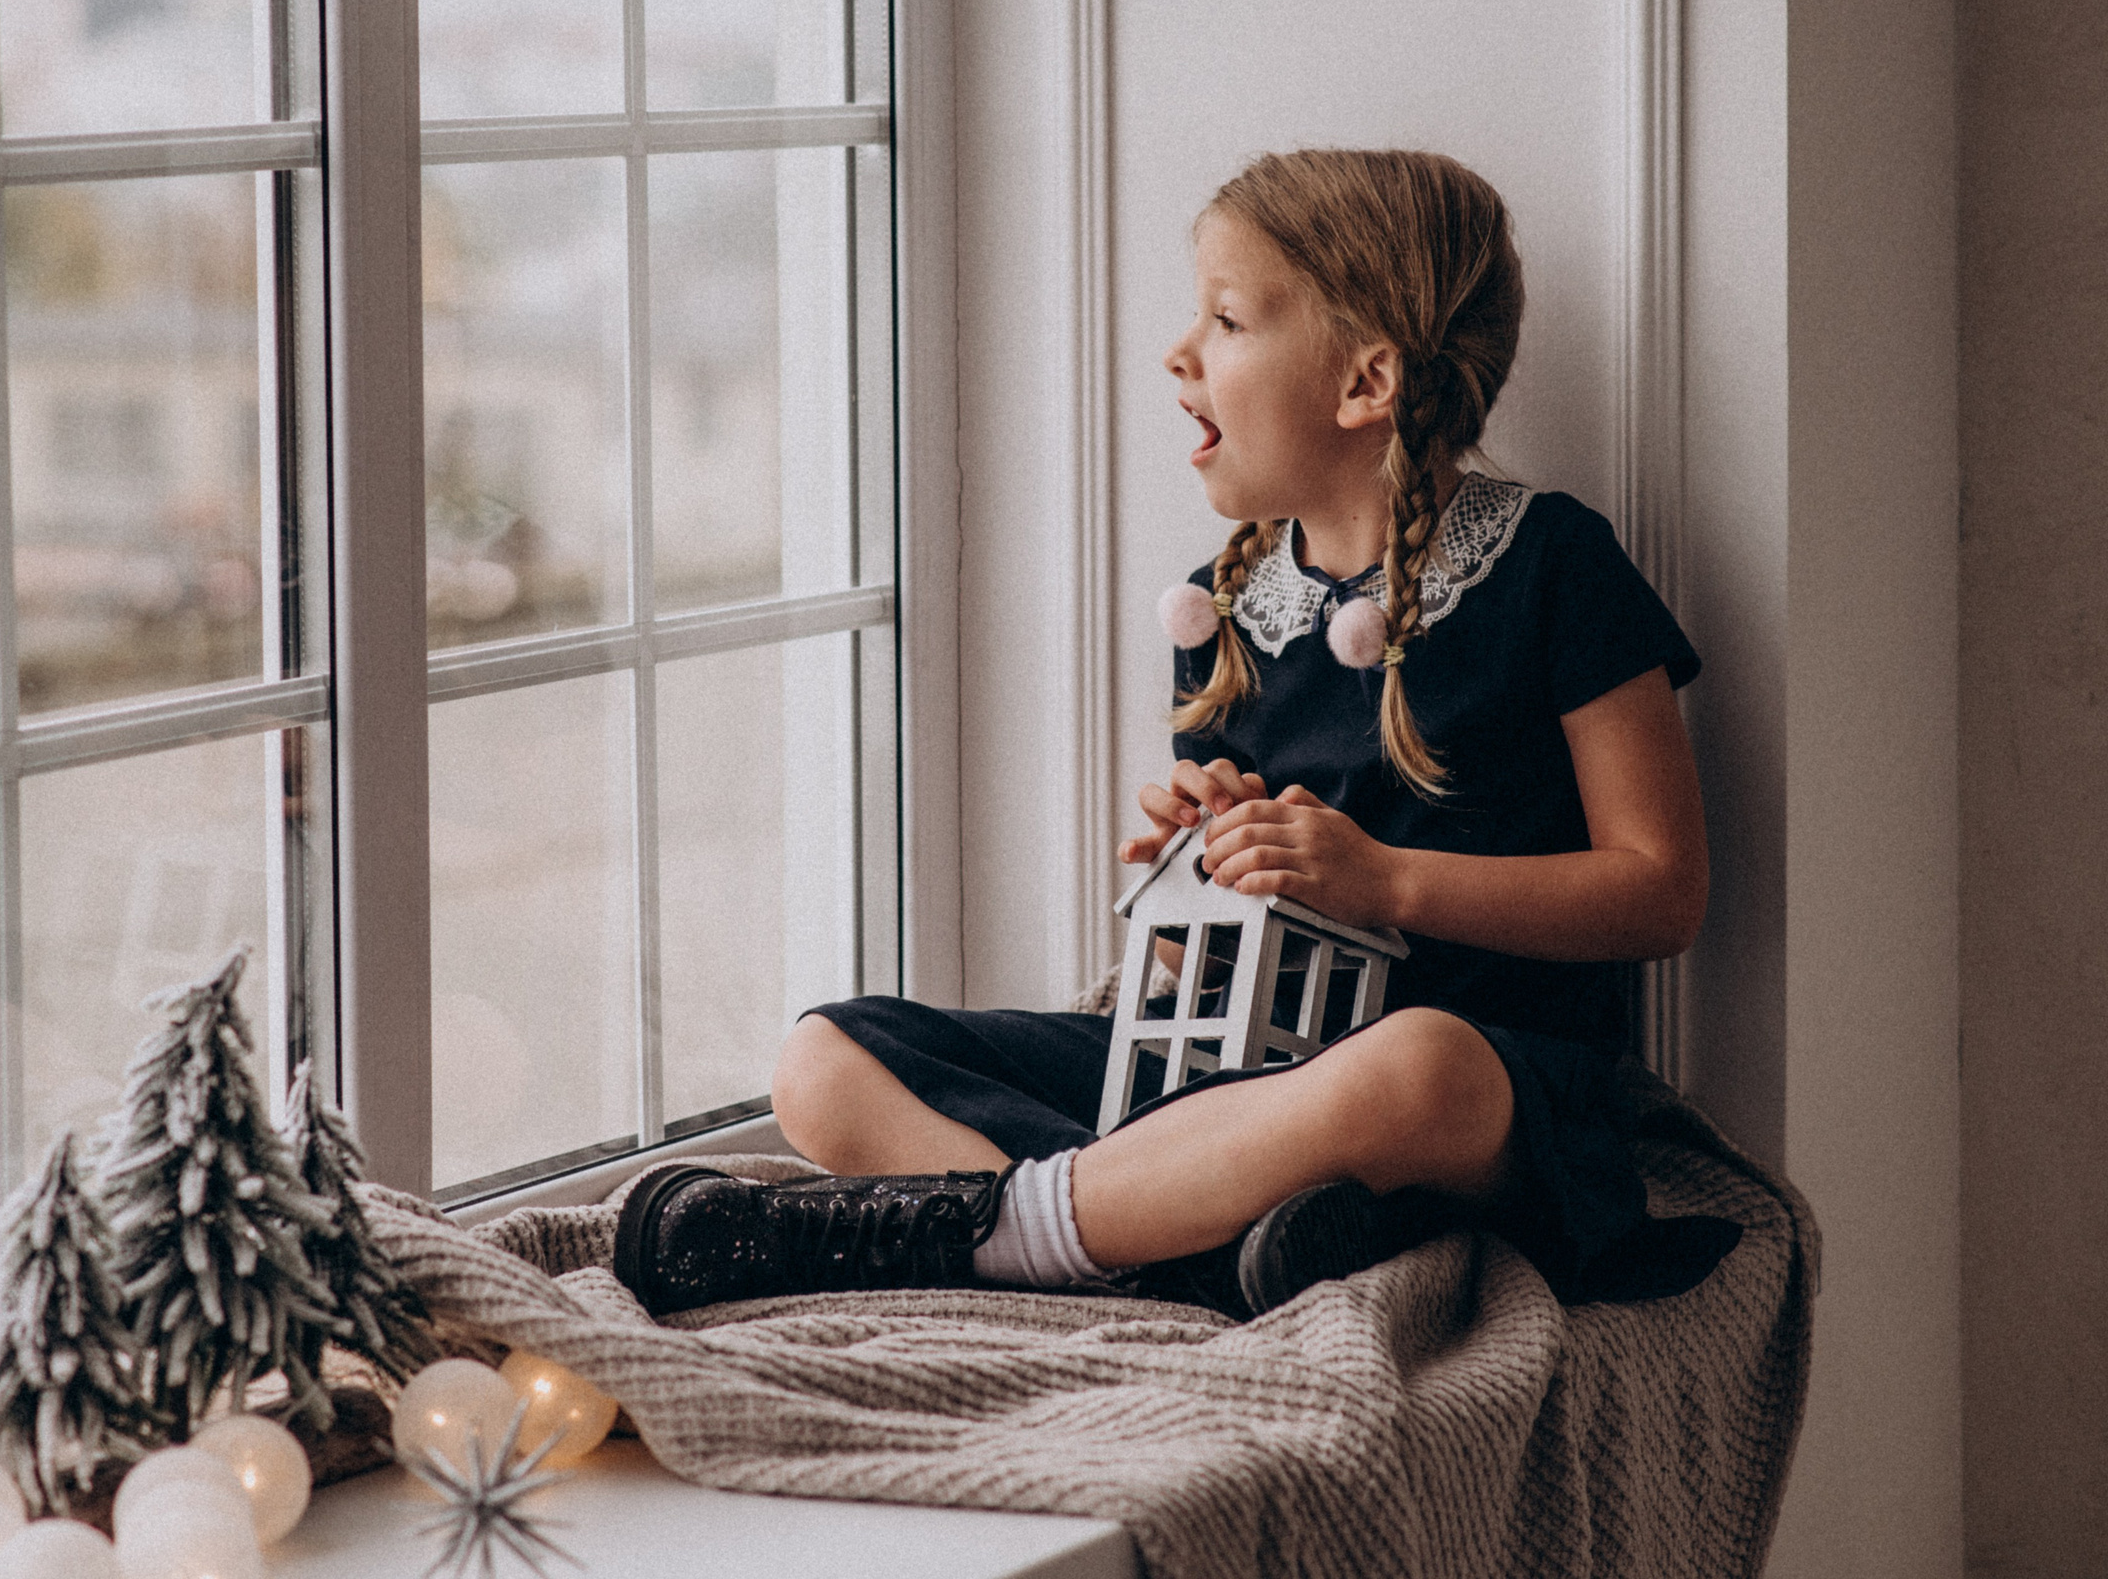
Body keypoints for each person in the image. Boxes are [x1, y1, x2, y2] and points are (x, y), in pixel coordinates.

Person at [613, 148, 1737, 1321]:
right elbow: (1193, 986)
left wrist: (1386, 880)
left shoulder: (1552, 564)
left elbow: (1661, 892)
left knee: (1420, 1065)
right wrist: (1189, 879)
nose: (1176, 351)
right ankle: (1163, 1245)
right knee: (823, 1063)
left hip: (1486, 1092)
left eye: (1227, 318)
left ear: (1366, 382)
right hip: (1238, 1080)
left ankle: (1034, 1229)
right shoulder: (1222, 612)